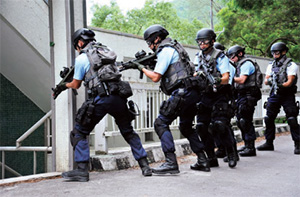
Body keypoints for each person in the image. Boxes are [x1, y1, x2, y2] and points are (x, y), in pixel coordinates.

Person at [53, 28, 152, 181]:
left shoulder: (82, 58)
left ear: (80, 42)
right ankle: (145, 166)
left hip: (101, 99)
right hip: (118, 96)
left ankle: (82, 171)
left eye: (76, 45)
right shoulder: (106, 51)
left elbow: (76, 84)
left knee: (79, 132)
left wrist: (63, 85)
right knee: (128, 131)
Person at [135, 24, 210, 174]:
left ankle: (171, 162)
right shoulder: (175, 48)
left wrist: (140, 67)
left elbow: (156, 77)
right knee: (186, 127)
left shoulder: (165, 50)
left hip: (183, 92)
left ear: (157, 39)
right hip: (192, 92)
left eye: (150, 42)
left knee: (160, 123)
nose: (150, 46)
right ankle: (203, 160)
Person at [193, 28, 237, 168]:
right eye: (200, 41)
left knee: (220, 125)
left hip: (219, 94)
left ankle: (231, 154)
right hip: (204, 94)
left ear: (212, 41)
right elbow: (194, 72)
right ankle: (211, 157)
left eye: (205, 41)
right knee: (201, 126)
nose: (202, 44)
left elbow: (226, 78)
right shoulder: (197, 56)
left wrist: (215, 80)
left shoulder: (220, 56)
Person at [257, 42, 300, 155]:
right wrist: (271, 81)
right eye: (273, 53)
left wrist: (280, 85)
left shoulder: (291, 65)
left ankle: (298, 144)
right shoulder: (271, 65)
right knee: (268, 118)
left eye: (277, 52)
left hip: (287, 94)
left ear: (283, 52)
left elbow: (290, 81)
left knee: (291, 118)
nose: (275, 55)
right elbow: (266, 80)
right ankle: (269, 142)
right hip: (274, 94)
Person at [227, 45, 262, 157]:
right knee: (240, 120)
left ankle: (251, 147)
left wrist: (227, 77)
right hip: (242, 94)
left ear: (240, 54)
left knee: (245, 120)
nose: (231, 58)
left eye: (232, 56)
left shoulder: (246, 64)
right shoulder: (238, 65)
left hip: (249, 95)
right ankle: (247, 144)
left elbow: (242, 80)